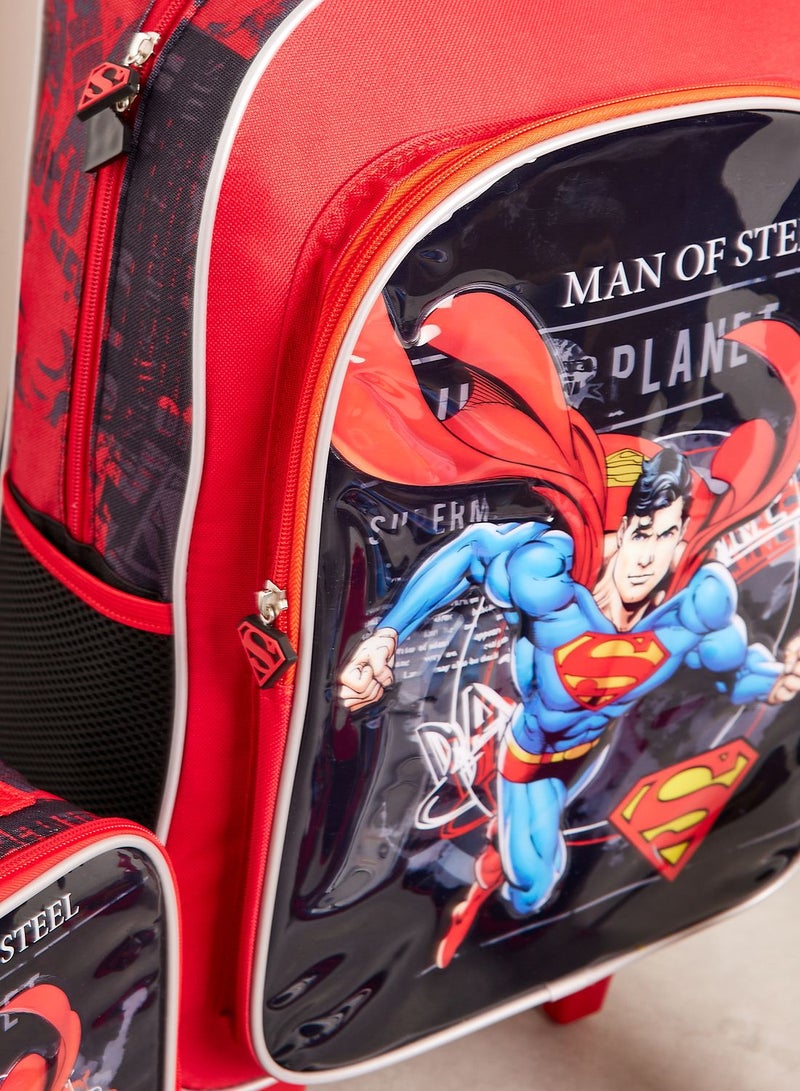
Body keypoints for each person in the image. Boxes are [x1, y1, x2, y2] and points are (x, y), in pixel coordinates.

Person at [338, 445, 800, 965]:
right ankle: (496, 872)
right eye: (641, 533)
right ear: (621, 530)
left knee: (590, 893)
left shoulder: (696, 605)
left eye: (666, 536)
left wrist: (779, 681)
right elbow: (471, 550)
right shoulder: (551, 581)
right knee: (530, 891)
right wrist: (385, 638)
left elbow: (735, 669)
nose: (646, 558)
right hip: (534, 759)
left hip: (610, 750)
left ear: (682, 541)